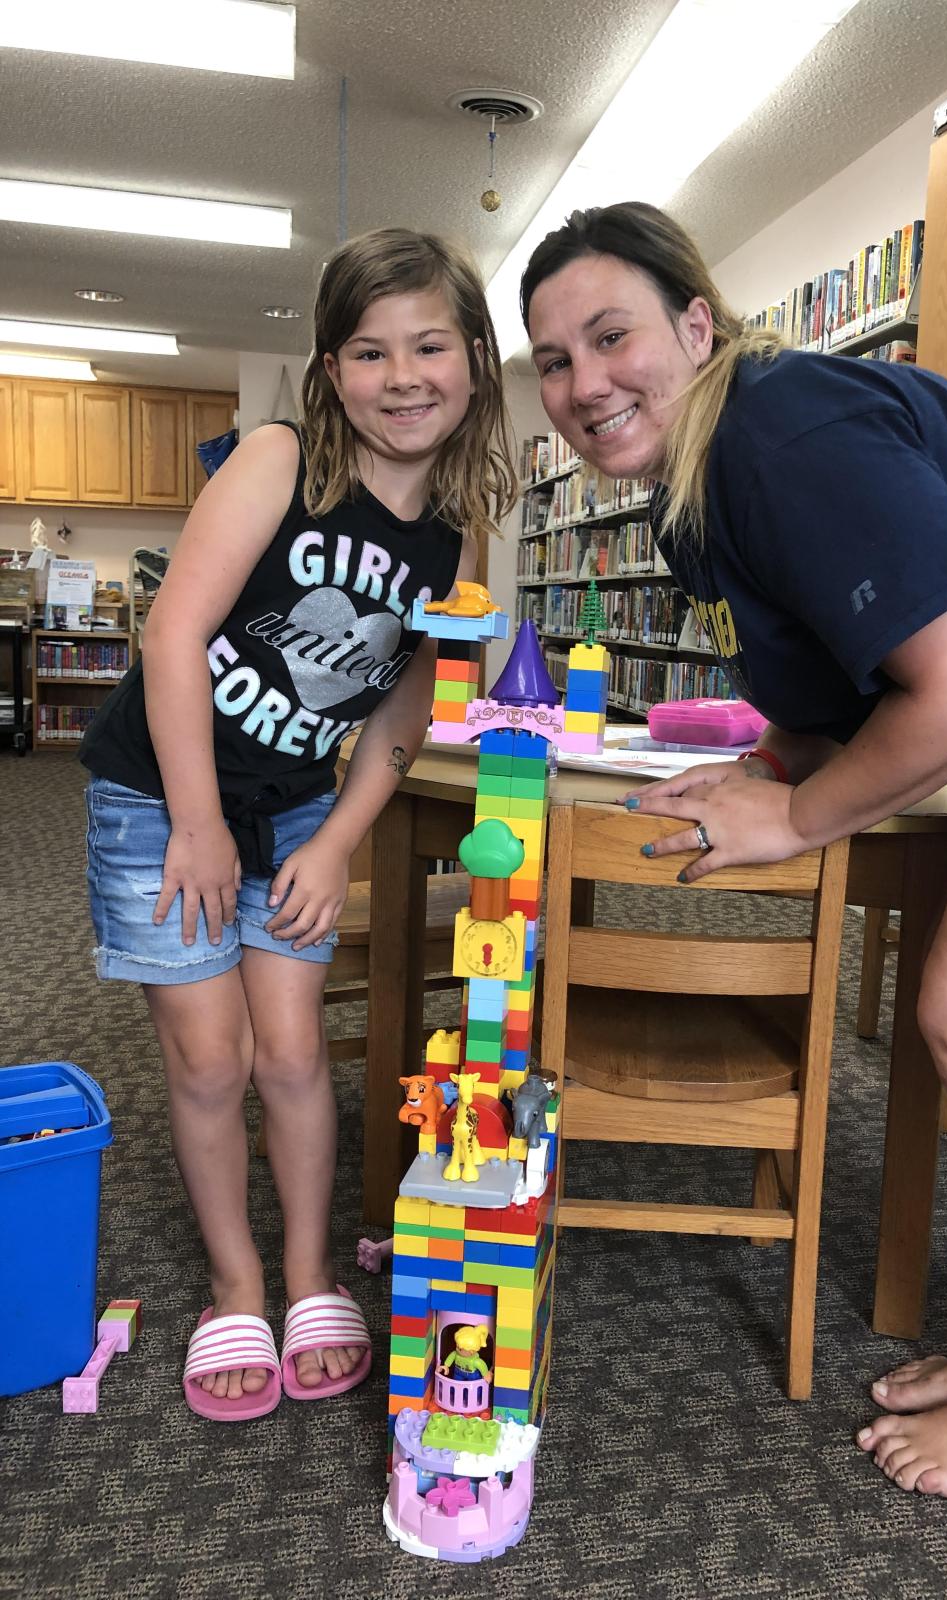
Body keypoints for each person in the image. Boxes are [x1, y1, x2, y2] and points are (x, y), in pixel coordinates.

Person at [519, 201, 947, 1499]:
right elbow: (848, 681)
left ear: (697, 325)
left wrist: (798, 814)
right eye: (553, 361)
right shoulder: (699, 492)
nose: (583, 383)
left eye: (611, 337)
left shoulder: (773, 421)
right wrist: (779, 761)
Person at [80, 227, 515, 1420]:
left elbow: (409, 696)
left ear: (475, 359)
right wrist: (196, 820)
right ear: (331, 370)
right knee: (211, 1060)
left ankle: (311, 1274)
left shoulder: (456, 528)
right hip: (157, 796)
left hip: (296, 809)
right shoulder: (280, 460)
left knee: (292, 1054)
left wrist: (337, 839)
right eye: (369, 351)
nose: (404, 374)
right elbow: (173, 636)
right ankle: (235, 1288)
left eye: (431, 344)